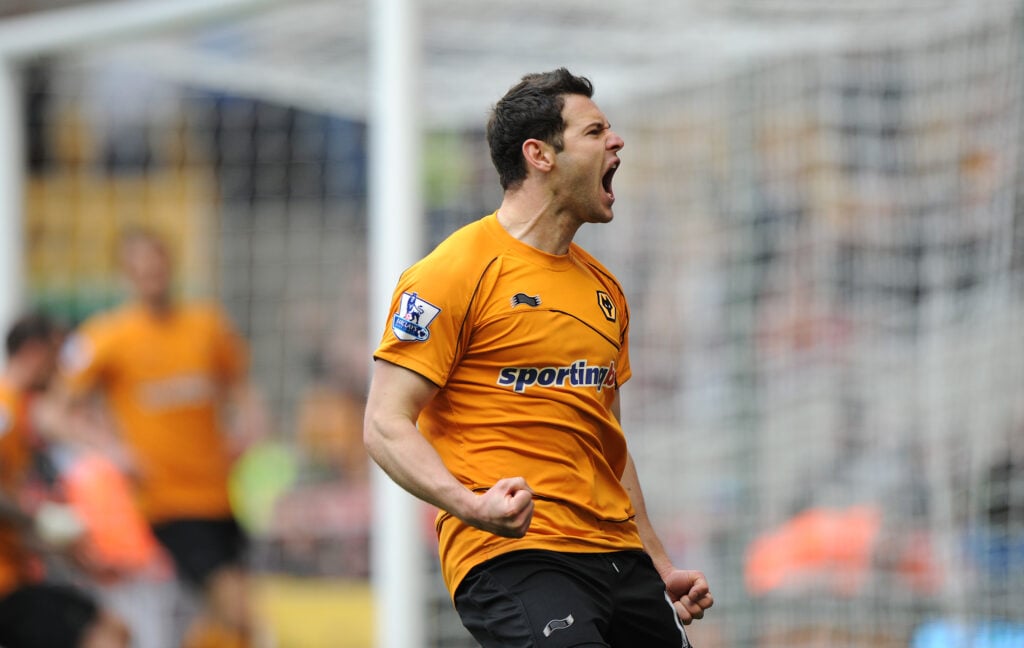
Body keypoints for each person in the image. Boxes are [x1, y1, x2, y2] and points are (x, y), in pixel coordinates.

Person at [364, 68, 713, 648]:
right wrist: (471, 506)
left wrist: (658, 560)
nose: (616, 141)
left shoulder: (606, 292)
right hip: (515, 556)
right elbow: (383, 423)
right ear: (540, 154)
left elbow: (608, 443)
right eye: (596, 130)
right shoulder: (451, 272)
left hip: (619, 558)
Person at [58, 228, 262, 648]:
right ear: (126, 274)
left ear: (170, 266)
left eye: (157, 265)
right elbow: (55, 410)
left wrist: (250, 430)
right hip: (165, 501)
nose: (151, 275)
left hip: (220, 495)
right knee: (240, 612)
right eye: (141, 269)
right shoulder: (107, 336)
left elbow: (241, 388)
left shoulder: (207, 326)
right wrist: (111, 448)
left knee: (222, 622)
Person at [0, 313, 131, 648]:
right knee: (107, 636)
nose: (62, 370)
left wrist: (70, 550)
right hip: (7, 586)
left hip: (18, 576)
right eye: (57, 356)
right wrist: (45, 521)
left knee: (113, 629)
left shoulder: (19, 414)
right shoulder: (5, 410)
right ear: (33, 353)